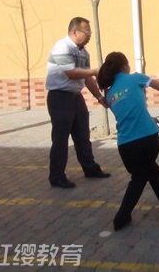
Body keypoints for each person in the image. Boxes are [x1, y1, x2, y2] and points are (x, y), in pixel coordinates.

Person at [97, 51, 159, 231]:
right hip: (148, 141)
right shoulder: (136, 78)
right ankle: (121, 217)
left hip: (126, 147)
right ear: (124, 66)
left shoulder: (110, 94)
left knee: (149, 169)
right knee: (141, 176)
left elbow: (129, 113)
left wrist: (150, 119)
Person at [46, 16, 111, 188]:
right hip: (60, 97)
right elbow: (71, 73)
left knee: (83, 136)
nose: (90, 35)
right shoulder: (62, 46)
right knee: (60, 139)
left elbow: (87, 78)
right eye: (87, 31)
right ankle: (57, 176)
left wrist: (99, 97)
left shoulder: (84, 52)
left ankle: (90, 168)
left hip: (76, 97)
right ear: (75, 32)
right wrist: (95, 70)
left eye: (90, 32)